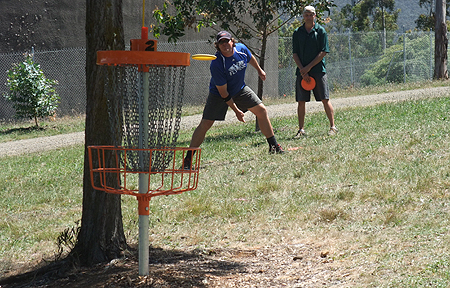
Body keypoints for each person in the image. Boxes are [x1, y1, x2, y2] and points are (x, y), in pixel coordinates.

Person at [183, 31, 284, 168]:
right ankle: (188, 159)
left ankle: (274, 146)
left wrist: (260, 70)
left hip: (239, 89)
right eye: (221, 43)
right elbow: (224, 93)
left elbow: (250, 57)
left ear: (232, 41)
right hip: (219, 94)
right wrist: (236, 111)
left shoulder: (241, 49)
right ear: (217, 46)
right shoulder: (217, 64)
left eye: (227, 41)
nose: (225, 45)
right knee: (205, 124)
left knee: (262, 110)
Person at [292, 5, 338, 137]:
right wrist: (303, 70)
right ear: (303, 16)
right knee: (301, 101)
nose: (308, 16)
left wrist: (308, 68)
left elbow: (323, 52)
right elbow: (295, 53)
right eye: (306, 14)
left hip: (318, 71)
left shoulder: (321, 31)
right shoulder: (297, 32)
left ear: (315, 16)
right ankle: (301, 130)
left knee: (325, 98)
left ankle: (333, 127)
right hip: (302, 73)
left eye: (311, 14)